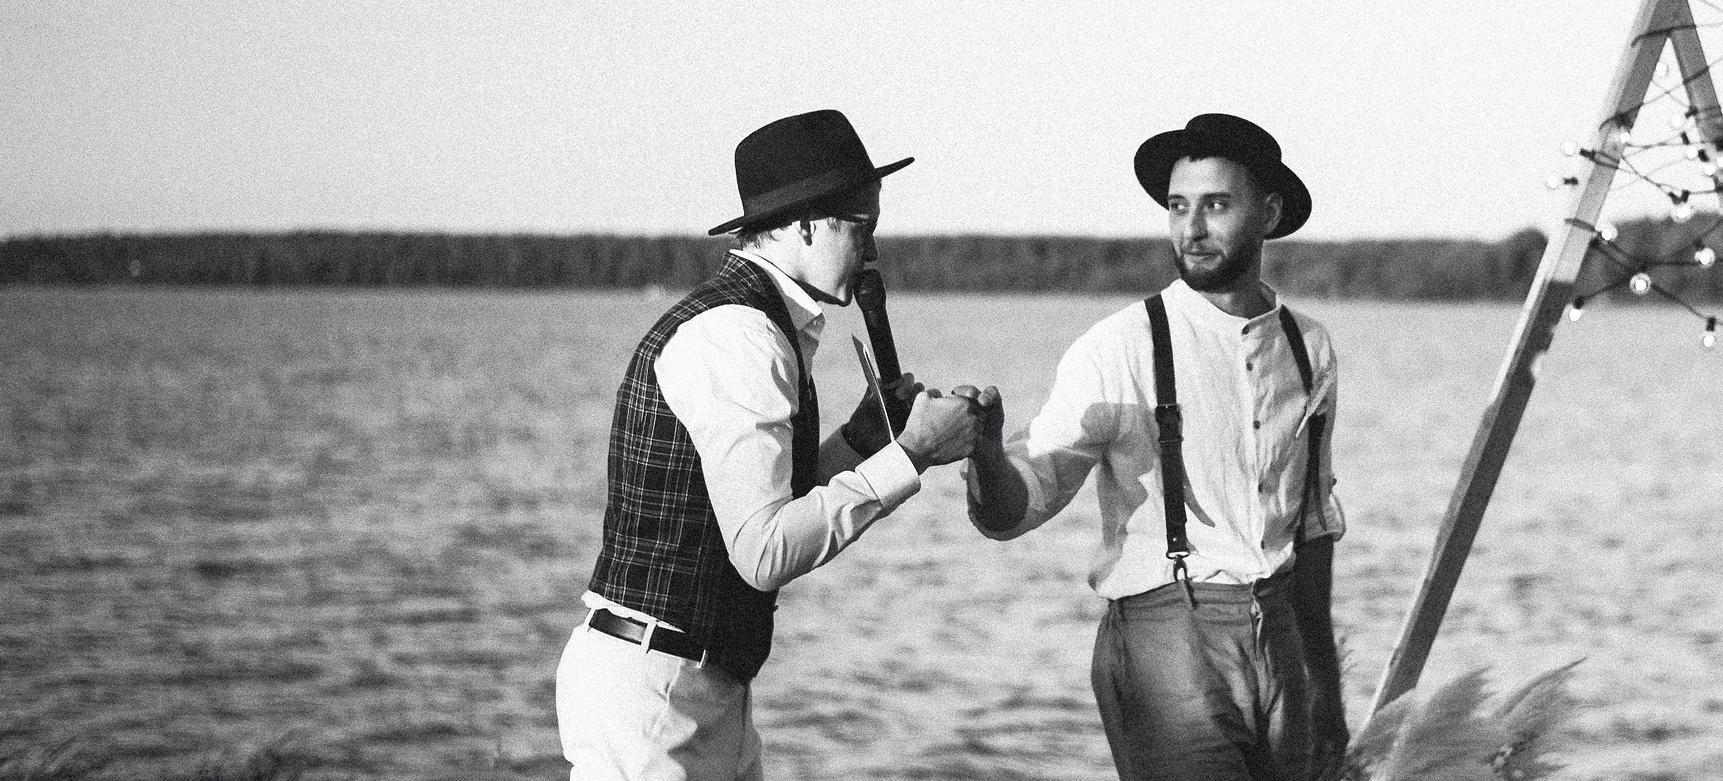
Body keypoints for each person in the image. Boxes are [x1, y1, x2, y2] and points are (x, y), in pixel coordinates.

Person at [556, 109, 983, 781]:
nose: (873, 253)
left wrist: (863, 440)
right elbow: (763, 550)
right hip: (654, 698)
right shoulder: (740, 338)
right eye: (863, 230)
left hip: (691, 685)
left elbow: (764, 496)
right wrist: (914, 454)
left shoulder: (757, 323)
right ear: (808, 225)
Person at [961, 113, 1347, 781]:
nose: (1191, 230)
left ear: (1270, 212)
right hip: (1167, 636)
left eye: (1216, 206)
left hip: (1283, 634)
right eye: (1178, 207)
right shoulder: (1119, 346)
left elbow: (1311, 526)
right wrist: (986, 455)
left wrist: (1327, 692)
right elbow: (1016, 508)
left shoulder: (1308, 348)